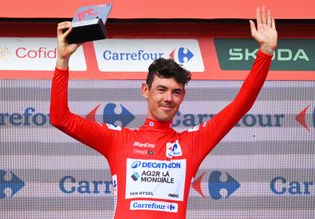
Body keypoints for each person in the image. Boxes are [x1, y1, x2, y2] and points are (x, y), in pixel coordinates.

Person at [50, 6, 277, 219]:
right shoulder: (118, 140)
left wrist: (265, 53)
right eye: (161, 90)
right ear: (145, 91)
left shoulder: (193, 143)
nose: (168, 98)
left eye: (176, 92)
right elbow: (60, 118)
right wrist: (63, 60)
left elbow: (241, 105)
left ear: (182, 97)